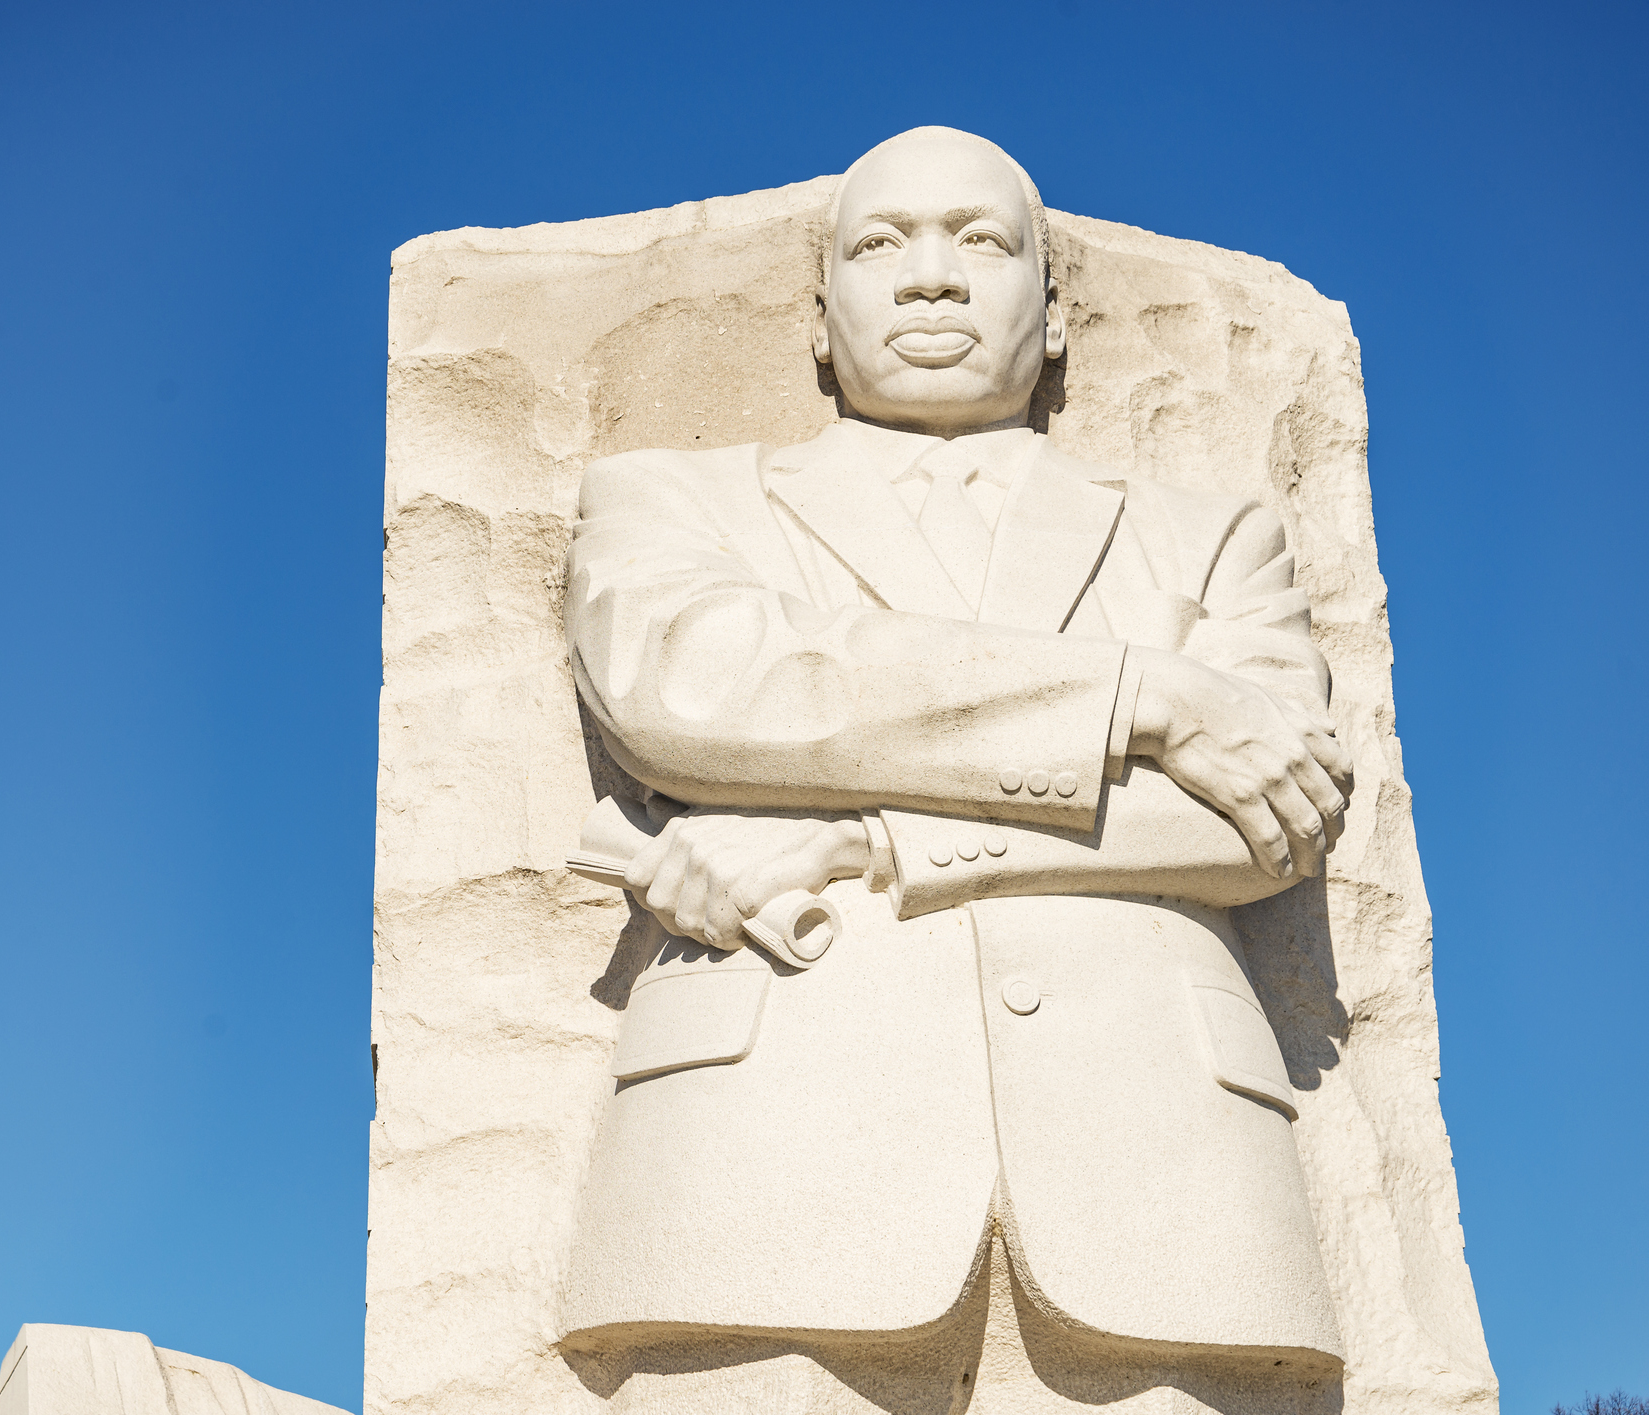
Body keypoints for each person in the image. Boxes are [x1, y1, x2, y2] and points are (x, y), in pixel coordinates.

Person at [559, 127, 1353, 1415]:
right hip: (757, 1161)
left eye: (982, 242)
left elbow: (1269, 818)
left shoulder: (1209, 533)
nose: (932, 277)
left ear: (1055, 315)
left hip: (1165, 1173)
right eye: (881, 245)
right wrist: (1140, 694)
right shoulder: (670, 500)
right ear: (820, 322)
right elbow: (706, 689)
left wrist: (864, 840)